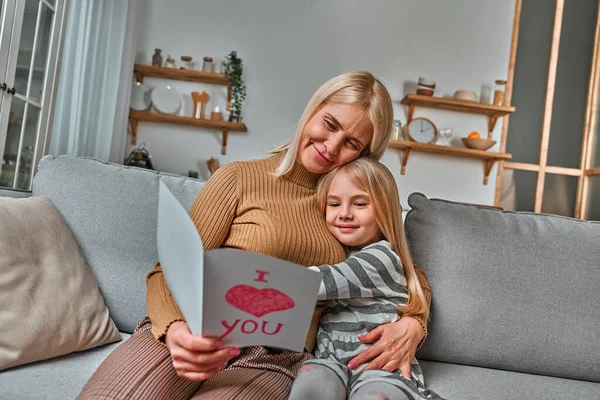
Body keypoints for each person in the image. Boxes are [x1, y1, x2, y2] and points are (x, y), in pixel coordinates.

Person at [78, 71, 431, 400]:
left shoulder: (345, 210)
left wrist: (414, 325)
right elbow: (168, 268)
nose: (332, 146)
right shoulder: (237, 179)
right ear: (313, 110)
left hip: (275, 359)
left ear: (364, 156)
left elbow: (402, 271)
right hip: (192, 329)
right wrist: (175, 331)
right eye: (329, 124)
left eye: (351, 142)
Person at [288, 158, 442, 400]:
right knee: (312, 376)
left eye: (359, 203)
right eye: (334, 203)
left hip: (383, 371)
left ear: (385, 212)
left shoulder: (382, 257)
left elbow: (319, 282)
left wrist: (259, 280)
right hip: (334, 366)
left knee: (376, 395)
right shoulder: (341, 252)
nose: (345, 214)